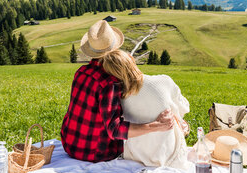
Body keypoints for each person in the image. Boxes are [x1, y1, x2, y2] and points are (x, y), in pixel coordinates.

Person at [60, 20, 174, 162]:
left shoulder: (81, 72)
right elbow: (115, 129)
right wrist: (154, 126)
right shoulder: (109, 83)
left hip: (69, 144)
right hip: (96, 153)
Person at [101, 49, 190, 169]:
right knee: (175, 116)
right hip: (166, 154)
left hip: (135, 155)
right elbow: (184, 107)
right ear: (132, 60)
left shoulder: (119, 96)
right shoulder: (164, 81)